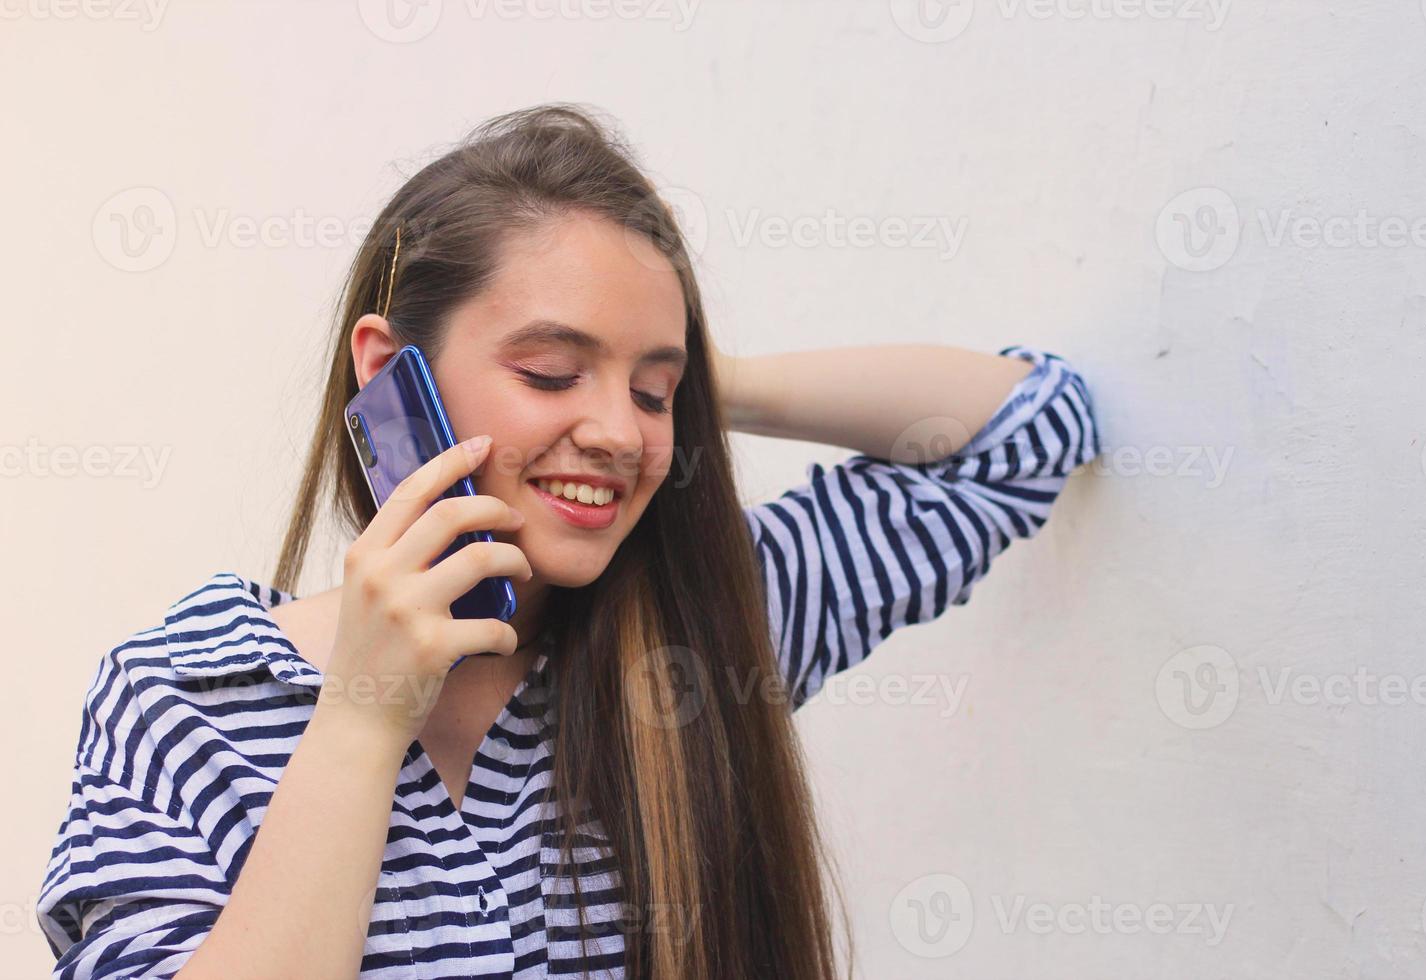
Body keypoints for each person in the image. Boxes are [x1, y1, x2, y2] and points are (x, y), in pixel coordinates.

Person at [37, 104, 1100, 980]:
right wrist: (363, 719)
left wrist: (707, 385)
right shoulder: (187, 696)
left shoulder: (710, 632)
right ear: (389, 370)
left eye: (650, 388)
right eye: (553, 372)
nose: (618, 431)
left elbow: (1029, 429)